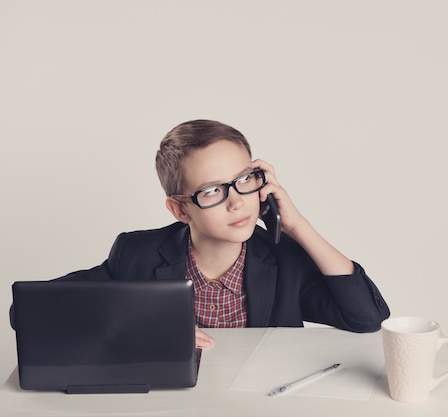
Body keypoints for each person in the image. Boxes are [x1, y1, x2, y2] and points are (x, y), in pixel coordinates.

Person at [10, 120, 390, 347]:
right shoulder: (137, 255)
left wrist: (297, 226)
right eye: (212, 191)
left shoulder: (282, 259)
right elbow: (27, 311)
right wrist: (139, 323)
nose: (237, 202)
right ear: (179, 209)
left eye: (245, 180)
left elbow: (367, 318)